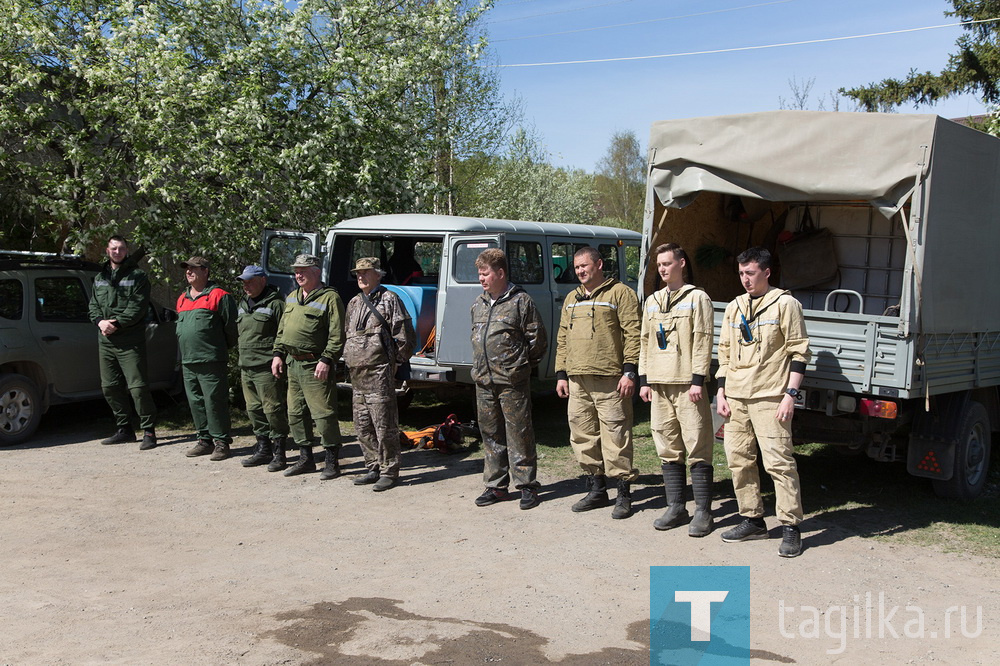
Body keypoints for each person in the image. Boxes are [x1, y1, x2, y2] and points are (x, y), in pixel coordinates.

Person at [716, 246, 811, 558]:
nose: (745, 279)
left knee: (779, 464)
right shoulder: (735, 307)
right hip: (736, 396)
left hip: (771, 396)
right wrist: (720, 391)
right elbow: (725, 353)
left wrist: (790, 395)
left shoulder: (786, 304)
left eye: (751, 273)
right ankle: (752, 519)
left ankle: (790, 527)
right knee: (738, 460)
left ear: (767, 272)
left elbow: (799, 352)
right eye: (741, 273)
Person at [555, 246, 641, 519]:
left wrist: (630, 371)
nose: (580, 271)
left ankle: (623, 493)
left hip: (611, 380)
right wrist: (561, 374)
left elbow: (634, 334)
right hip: (577, 379)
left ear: (599, 264)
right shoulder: (571, 298)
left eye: (585, 266)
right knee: (582, 436)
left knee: (616, 436)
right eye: (577, 267)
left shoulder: (621, 294)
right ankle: (596, 489)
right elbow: (562, 339)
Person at [638, 244, 715, 537]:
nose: (662, 269)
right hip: (659, 383)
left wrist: (698, 379)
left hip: (687, 385)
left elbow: (703, 339)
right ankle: (676, 507)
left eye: (668, 263)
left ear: (682, 264)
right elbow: (645, 340)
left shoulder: (697, 298)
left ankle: (703, 512)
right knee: (667, 446)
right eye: (659, 264)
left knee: (697, 445)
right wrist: (644, 380)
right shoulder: (653, 301)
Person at [470, 248, 548, 510]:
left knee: (519, 433)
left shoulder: (521, 302)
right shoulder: (478, 304)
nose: (481, 278)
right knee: (490, 434)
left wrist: (520, 367)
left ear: (500, 273)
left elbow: (537, 342)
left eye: (485, 273)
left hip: (511, 382)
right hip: (484, 382)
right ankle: (496, 486)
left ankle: (527, 485)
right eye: (479, 274)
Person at [343, 257, 415, 491]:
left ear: (378, 275)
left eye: (366, 272)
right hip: (357, 374)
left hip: (379, 373)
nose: (361, 277)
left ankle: (389, 470)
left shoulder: (389, 299)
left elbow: (405, 336)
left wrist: (394, 363)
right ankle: (372, 465)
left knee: (384, 425)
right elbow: (348, 333)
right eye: (358, 273)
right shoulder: (354, 302)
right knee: (363, 425)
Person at [271, 254, 346, 479]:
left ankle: (332, 461)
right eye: (296, 271)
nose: (298, 274)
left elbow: (337, 333)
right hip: (293, 363)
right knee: (295, 413)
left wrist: (327, 359)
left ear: (315, 271)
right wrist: (277, 354)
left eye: (303, 270)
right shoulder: (292, 297)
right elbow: (282, 329)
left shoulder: (330, 298)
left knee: (323, 414)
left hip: (316, 365)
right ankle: (306, 459)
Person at [88, 235, 158, 450]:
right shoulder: (100, 277)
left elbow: (137, 308)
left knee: (137, 387)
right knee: (110, 387)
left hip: (129, 340)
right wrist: (100, 322)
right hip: (106, 341)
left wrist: (116, 323)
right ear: (107, 251)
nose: (117, 252)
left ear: (127, 251)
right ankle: (124, 429)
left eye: (121, 248)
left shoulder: (138, 276)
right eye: (113, 248)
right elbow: (93, 306)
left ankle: (148, 431)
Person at [175, 256, 238, 460]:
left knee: (214, 401)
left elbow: (231, 329)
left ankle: (221, 442)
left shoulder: (219, 295)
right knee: (196, 401)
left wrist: (218, 349)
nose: (188, 272)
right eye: (187, 269)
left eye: (193, 268)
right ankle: (204, 440)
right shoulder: (182, 298)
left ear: (205, 271)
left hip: (211, 359)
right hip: (188, 360)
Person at [235, 265, 289, 471]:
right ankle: (263, 448)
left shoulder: (275, 304)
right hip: (246, 365)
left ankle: (279, 452)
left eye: (250, 281)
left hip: (267, 367)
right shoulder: (242, 304)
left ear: (263, 280)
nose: (246, 285)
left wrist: (279, 357)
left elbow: (283, 333)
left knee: (273, 409)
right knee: (254, 410)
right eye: (243, 281)